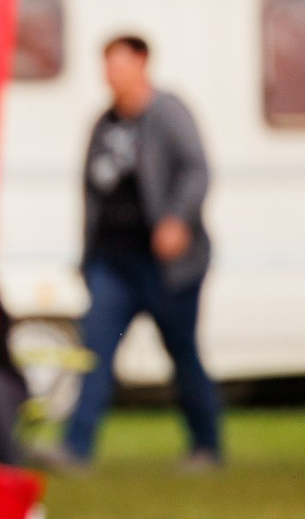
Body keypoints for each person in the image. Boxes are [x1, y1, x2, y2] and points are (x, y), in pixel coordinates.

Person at [51, 34, 221, 469]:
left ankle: (207, 447)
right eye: (108, 66)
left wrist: (178, 219)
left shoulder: (167, 112)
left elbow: (197, 169)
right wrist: (86, 258)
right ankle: (76, 448)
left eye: (121, 65)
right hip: (113, 263)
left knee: (183, 355)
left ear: (143, 64)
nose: (113, 75)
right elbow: (90, 193)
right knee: (96, 353)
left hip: (166, 266)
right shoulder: (104, 123)